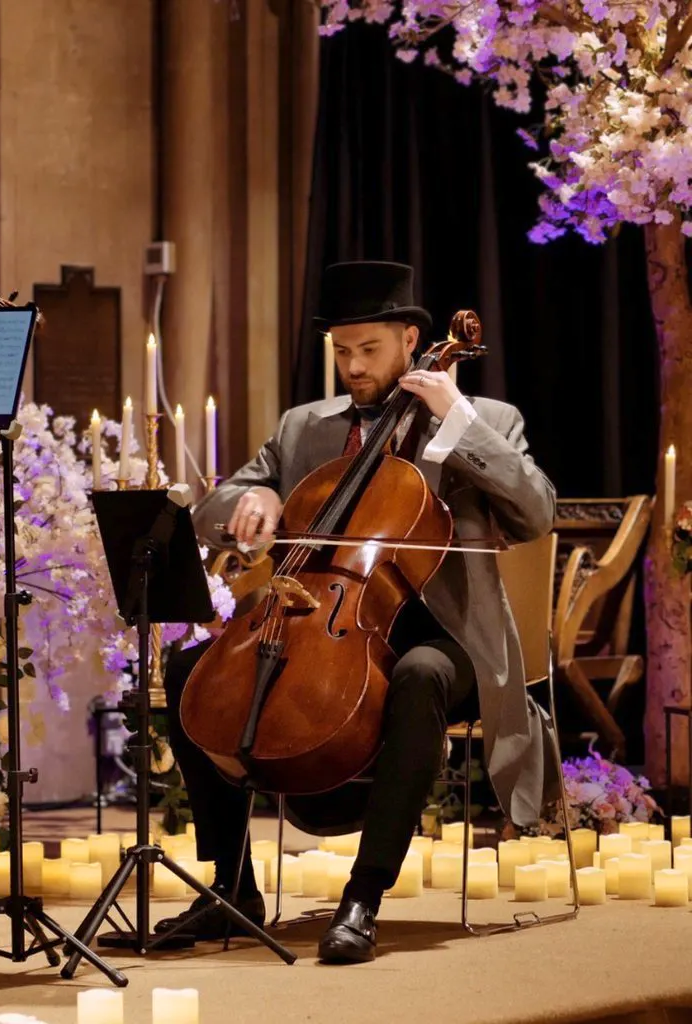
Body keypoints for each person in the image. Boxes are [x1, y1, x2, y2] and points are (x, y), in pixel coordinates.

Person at [160, 260, 557, 964]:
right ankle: (230, 887)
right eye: (341, 350)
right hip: (322, 621)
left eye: (368, 349)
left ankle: (363, 897)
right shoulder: (306, 428)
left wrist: (456, 421)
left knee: (421, 675)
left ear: (412, 340)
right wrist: (257, 504)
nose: (352, 366)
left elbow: (534, 511)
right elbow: (218, 504)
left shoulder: (486, 421)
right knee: (191, 668)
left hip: (446, 637)